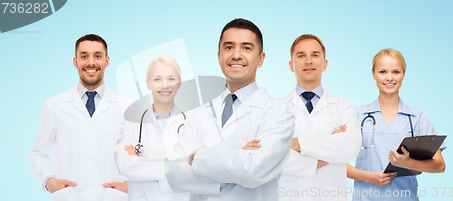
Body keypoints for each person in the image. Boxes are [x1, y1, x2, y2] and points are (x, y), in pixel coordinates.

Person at [165, 18, 294, 201]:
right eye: (228, 47)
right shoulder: (200, 114)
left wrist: (196, 157)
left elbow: (253, 170)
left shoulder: (279, 113)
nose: (236, 55)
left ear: (261, 59)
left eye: (246, 48)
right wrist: (236, 157)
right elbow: (173, 174)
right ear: (219, 57)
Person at [29, 34, 129, 201]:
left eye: (98, 56)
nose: (91, 62)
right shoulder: (55, 105)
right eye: (84, 56)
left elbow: (141, 156)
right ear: (75, 62)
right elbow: (38, 153)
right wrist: (49, 181)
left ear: (107, 61)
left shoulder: (127, 107)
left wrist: (130, 185)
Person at [345, 48, 446, 201]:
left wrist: (409, 162)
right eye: (383, 72)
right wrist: (370, 177)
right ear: (373, 74)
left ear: (403, 74)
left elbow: (439, 166)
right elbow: (333, 163)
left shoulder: (418, 118)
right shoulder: (356, 115)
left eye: (396, 72)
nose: (390, 78)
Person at [278, 34, 361, 201]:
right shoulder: (274, 108)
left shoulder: (343, 106)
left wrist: (297, 144)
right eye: (301, 55)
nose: (308, 61)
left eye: (315, 55)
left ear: (325, 64)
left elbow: (351, 146)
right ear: (291, 65)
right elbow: (269, 158)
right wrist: (323, 156)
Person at [115, 56, 189, 201]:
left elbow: (194, 171)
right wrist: (172, 165)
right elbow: (124, 165)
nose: (165, 85)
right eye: (157, 79)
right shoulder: (132, 122)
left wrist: (140, 165)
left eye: (171, 79)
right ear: (148, 84)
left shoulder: (192, 123)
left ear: (179, 83)